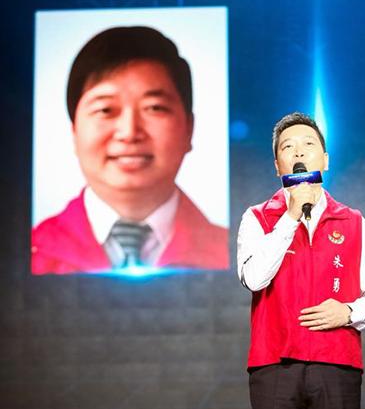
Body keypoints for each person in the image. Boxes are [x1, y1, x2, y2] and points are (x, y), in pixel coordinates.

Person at [31, 26, 229, 274]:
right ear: (74, 131)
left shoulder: (238, 255)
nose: (129, 132)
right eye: (105, 110)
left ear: (189, 129)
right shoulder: (26, 254)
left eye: (154, 108)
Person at [237, 112, 365, 409]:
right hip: (274, 365)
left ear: (325, 160)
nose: (298, 152)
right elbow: (254, 279)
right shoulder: (256, 217)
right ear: (277, 166)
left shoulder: (352, 221)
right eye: (288, 147)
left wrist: (348, 312)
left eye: (308, 144)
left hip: (336, 364)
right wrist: (290, 216)